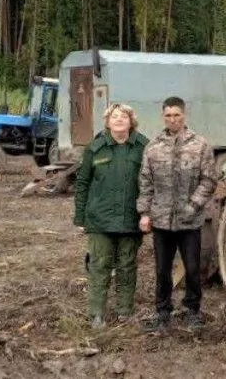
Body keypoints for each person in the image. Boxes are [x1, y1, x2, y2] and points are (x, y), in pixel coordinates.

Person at [137, 96, 218, 333]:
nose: (173, 119)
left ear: (184, 115)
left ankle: (193, 310)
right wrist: (144, 212)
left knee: (192, 268)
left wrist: (194, 205)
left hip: (189, 220)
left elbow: (209, 179)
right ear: (163, 116)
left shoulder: (199, 145)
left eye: (177, 115)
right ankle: (163, 311)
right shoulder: (153, 147)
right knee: (162, 270)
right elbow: (145, 182)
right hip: (161, 220)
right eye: (168, 115)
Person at [73, 103, 149, 329]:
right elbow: (83, 183)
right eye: (114, 117)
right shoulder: (95, 148)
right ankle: (96, 313)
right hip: (100, 220)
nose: (118, 120)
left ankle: (125, 310)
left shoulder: (143, 147)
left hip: (130, 218)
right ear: (107, 122)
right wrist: (80, 218)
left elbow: (150, 182)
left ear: (131, 121)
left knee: (127, 265)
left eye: (123, 116)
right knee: (99, 265)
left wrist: (148, 214)